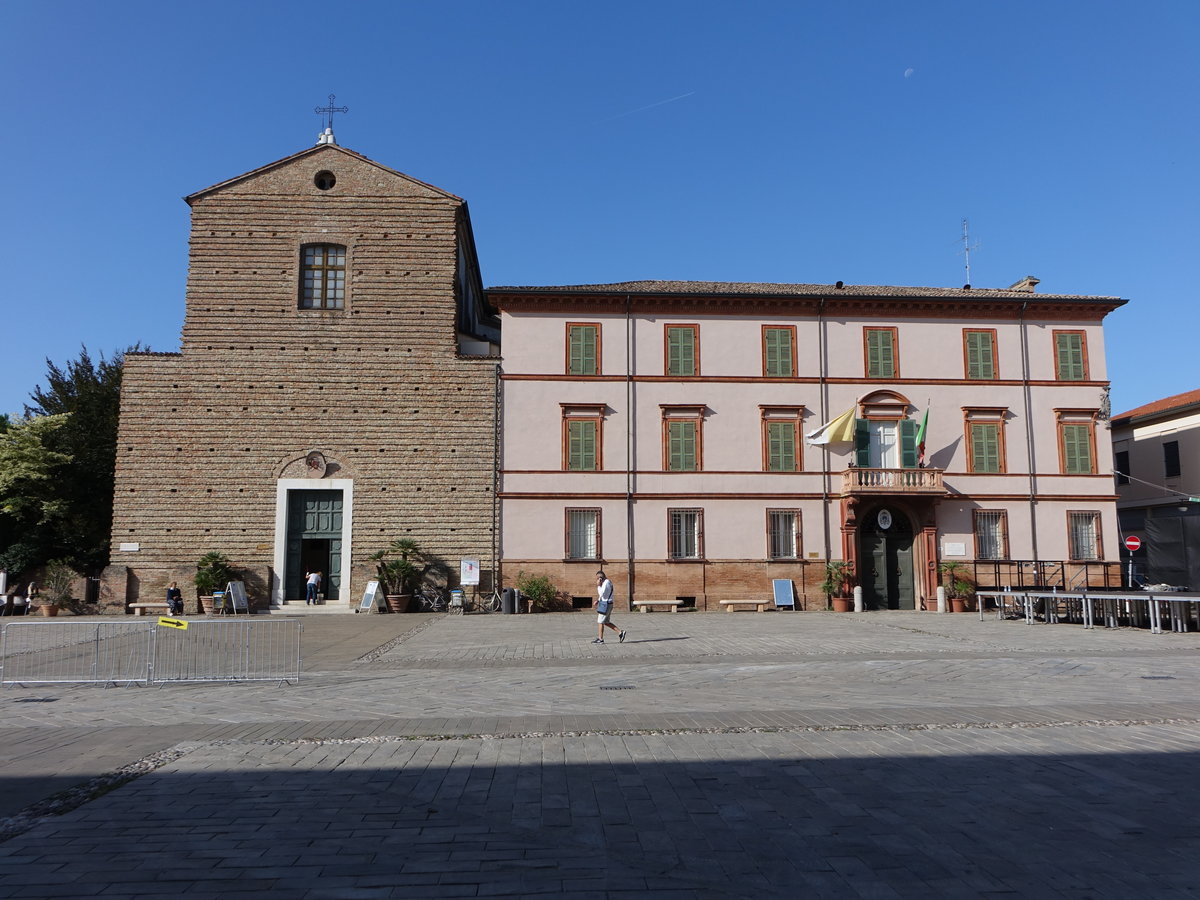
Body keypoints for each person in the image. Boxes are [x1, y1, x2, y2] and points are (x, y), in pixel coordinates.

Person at [593, 570, 626, 644]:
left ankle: (600, 639)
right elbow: (603, 595)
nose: (596, 580)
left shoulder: (606, 583)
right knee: (606, 622)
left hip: (606, 604)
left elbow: (602, 593)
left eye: (597, 578)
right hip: (606, 603)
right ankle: (621, 632)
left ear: (600, 578)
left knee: (600, 621)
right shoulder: (606, 582)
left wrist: (598, 585)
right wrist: (598, 600)